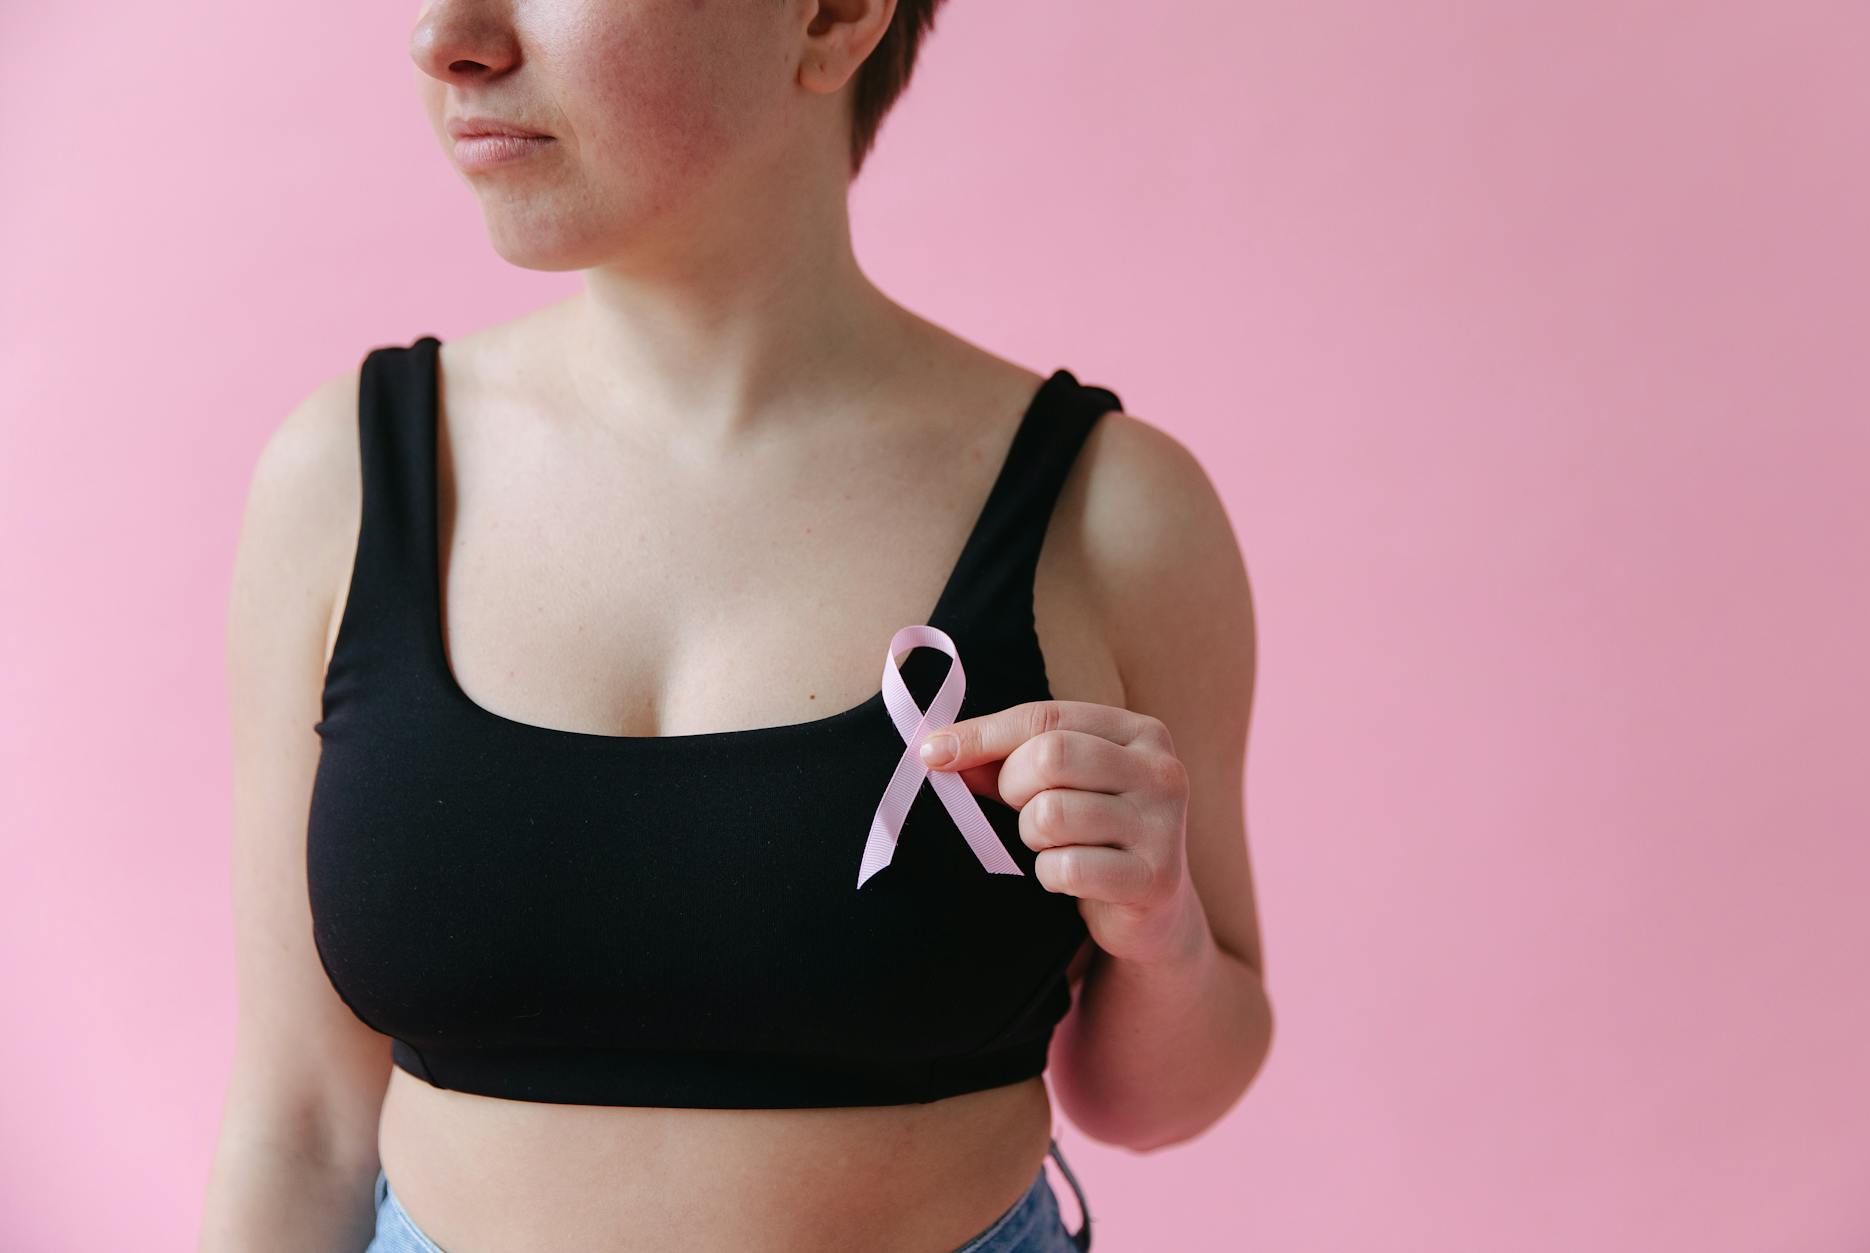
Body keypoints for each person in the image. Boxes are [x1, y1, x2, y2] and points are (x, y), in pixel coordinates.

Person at [200, 0, 1274, 1249]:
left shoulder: (1112, 515)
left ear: (828, 16)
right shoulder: (343, 481)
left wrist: (1163, 935)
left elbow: (1148, 1102)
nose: (447, 36)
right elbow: (300, 1127)